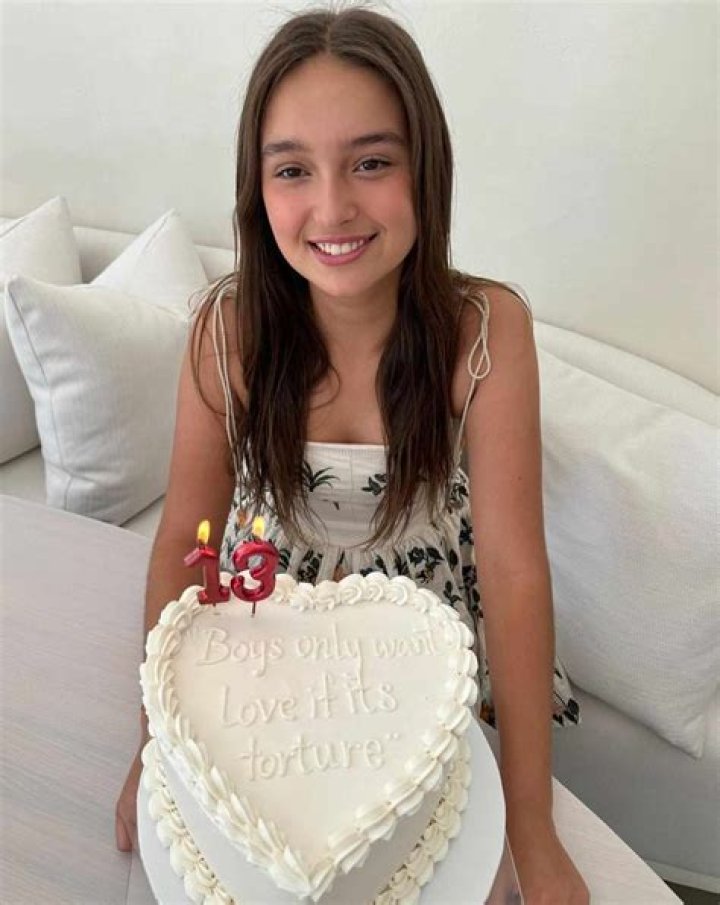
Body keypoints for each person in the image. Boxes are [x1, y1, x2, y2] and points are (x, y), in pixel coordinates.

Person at [116, 6, 588, 903]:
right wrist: (154, 743)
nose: (332, 208)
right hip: (268, 639)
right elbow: (184, 533)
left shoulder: (487, 330)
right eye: (293, 169)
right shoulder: (226, 330)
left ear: (426, 169)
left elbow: (515, 569)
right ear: (257, 188)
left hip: (428, 635)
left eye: (371, 162)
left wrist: (533, 824)